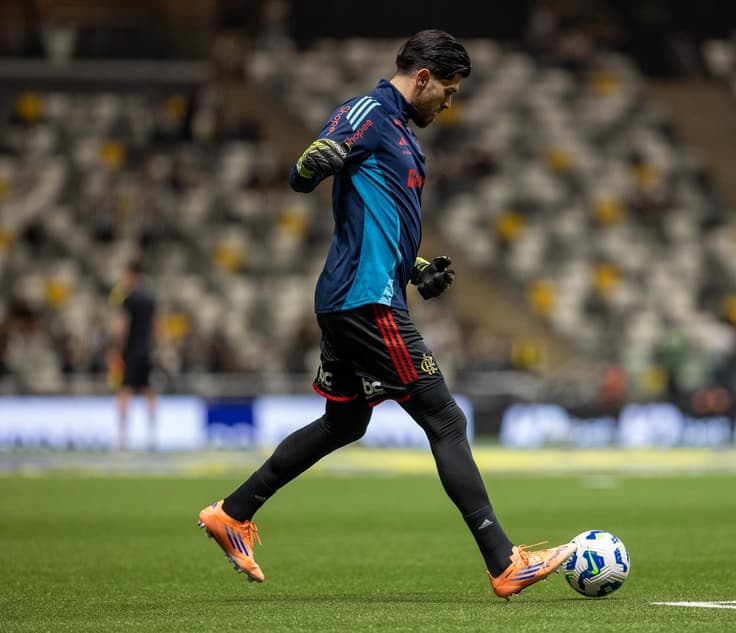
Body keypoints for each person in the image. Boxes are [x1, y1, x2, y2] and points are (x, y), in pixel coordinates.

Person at [197, 29, 575, 599]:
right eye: (446, 90)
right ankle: (505, 561)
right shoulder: (369, 112)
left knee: (345, 422)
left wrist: (415, 267)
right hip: (365, 301)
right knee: (445, 419)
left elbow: (373, 217)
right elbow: (304, 174)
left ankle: (234, 511)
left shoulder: (398, 131)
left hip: (355, 293)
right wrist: (310, 164)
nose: (450, 102)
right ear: (421, 78)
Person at [109, 259, 157, 451]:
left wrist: (116, 349)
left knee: (124, 391)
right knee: (148, 391)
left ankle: (123, 438)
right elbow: (157, 325)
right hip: (146, 349)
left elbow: (123, 327)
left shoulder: (127, 299)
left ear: (132, 275)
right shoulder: (150, 298)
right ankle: (152, 437)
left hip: (130, 350)